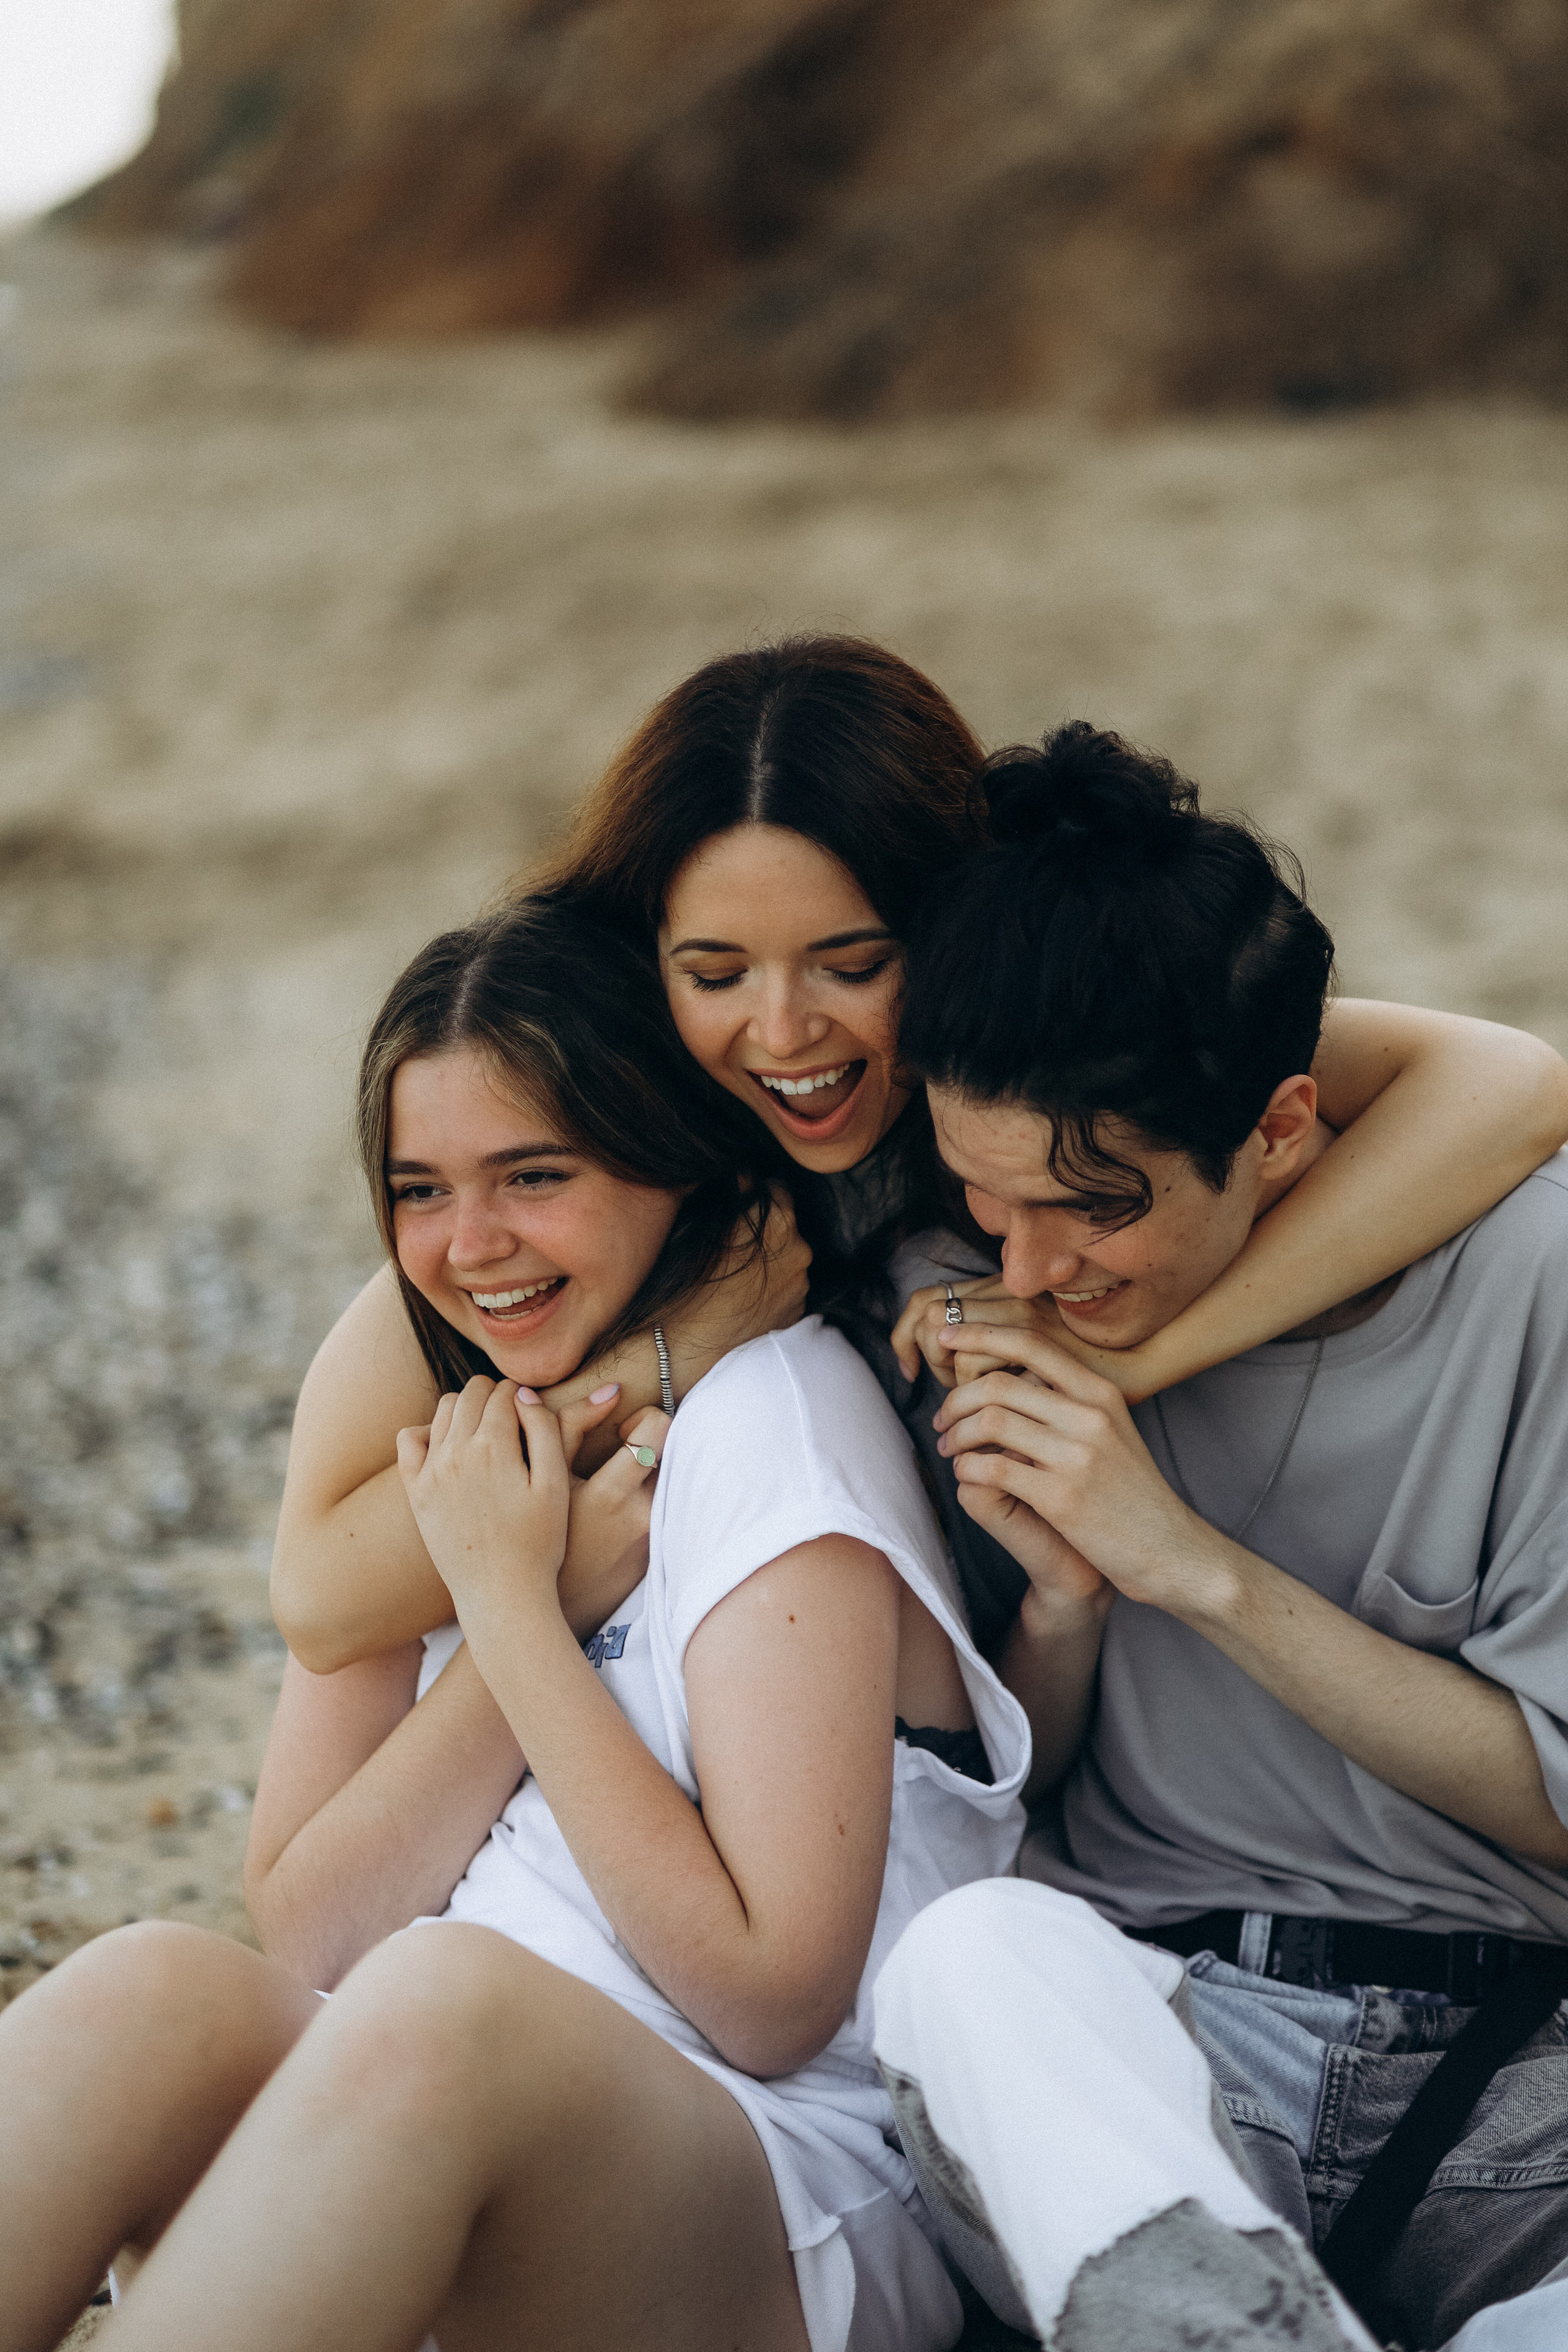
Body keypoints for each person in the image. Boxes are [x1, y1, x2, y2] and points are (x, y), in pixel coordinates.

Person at [0, 900, 1030, 2352]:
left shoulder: (769, 1432)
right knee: (148, 1989)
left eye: (532, 1176)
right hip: (428, 2103)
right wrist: (517, 1602)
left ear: (670, 1166)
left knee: (443, 2002)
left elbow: (770, 2000)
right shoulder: (465, 1448)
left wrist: (514, 1611)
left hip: (772, 2188)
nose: (470, 1246)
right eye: (419, 1191)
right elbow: (308, 1927)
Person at [271, 635, 1568, 1676]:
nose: (783, 1036)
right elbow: (320, 1605)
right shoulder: (617, 1118)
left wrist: (1122, 1355)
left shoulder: (1042, 1059)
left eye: (853, 964)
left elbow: (1509, 1086)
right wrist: (671, 1352)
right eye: (713, 971)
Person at [876, 722, 1568, 2351]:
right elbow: (988, 1793)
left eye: (1098, 1207)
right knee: (970, 1957)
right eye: (990, 1199)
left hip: (1522, 2087)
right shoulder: (956, 1301)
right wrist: (1063, 1604)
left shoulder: (1536, 1278)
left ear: (1279, 1125)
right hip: (1162, 2065)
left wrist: (1192, 1568)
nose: (1031, 1271)